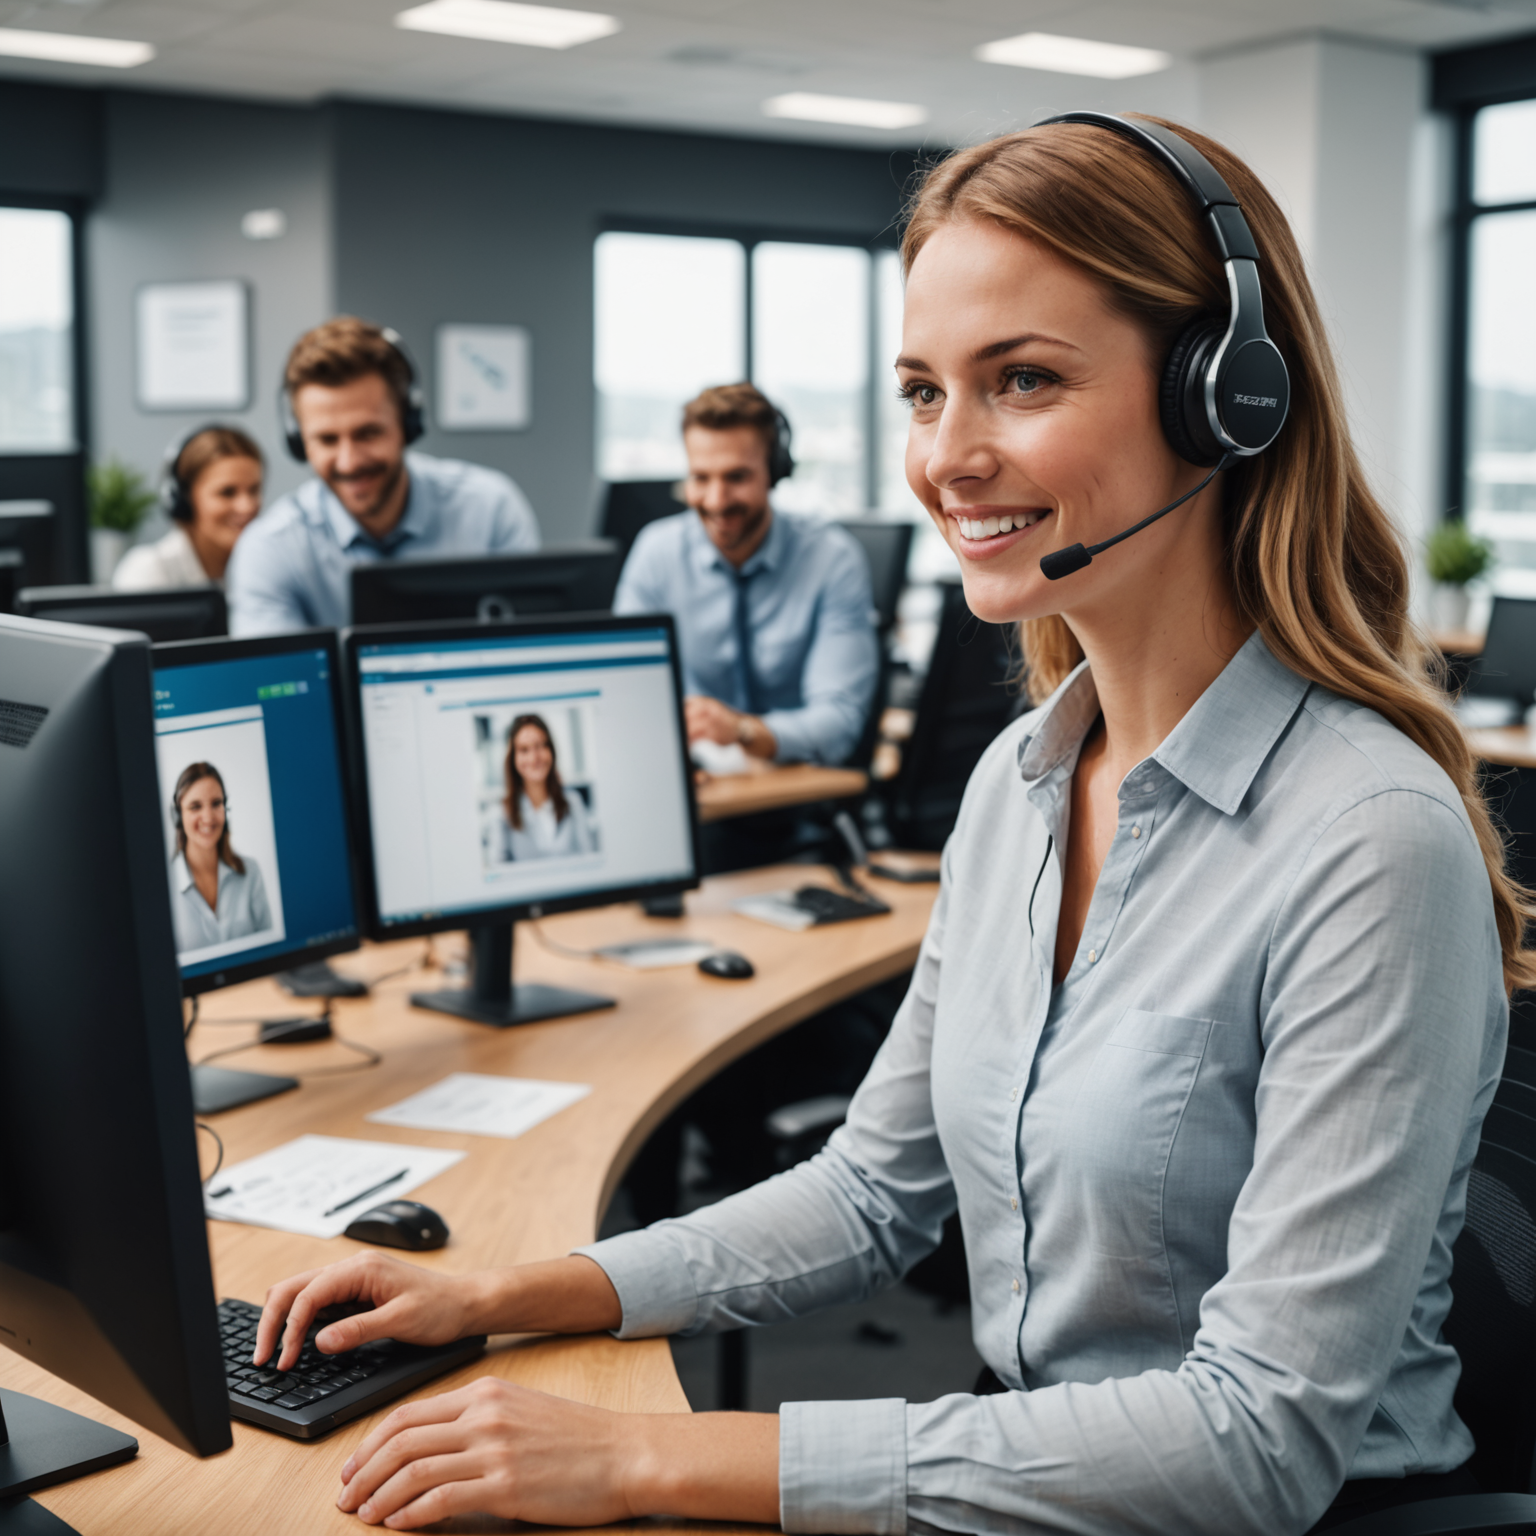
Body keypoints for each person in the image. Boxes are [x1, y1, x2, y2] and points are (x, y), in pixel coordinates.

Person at [250, 115, 1525, 1536]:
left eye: (1023, 381)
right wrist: (503, 1289)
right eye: (924, 392)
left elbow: (1256, 1440)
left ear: (1227, 399)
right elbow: (872, 1194)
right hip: (1023, 1467)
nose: (948, 457)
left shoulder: (1368, 840)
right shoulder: (1021, 790)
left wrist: (647, 1460)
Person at [612, 382, 878, 768]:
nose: (717, 501)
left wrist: (741, 731)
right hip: (700, 785)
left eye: (736, 477)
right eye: (701, 478)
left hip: (798, 792)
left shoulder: (831, 559)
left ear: (773, 472)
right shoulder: (656, 554)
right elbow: (628, 694)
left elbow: (839, 724)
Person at [226, 317, 540, 635]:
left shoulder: (490, 510)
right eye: (327, 440)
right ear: (299, 441)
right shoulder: (270, 548)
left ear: (408, 424)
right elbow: (278, 681)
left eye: (368, 433)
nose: (349, 463)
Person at [113, 425, 263, 589]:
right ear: (185, 499)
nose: (247, 506)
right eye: (227, 493)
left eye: (254, 490)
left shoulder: (262, 567)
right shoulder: (148, 571)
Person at [168, 761, 272, 951]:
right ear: (178, 816)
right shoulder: (164, 887)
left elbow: (269, 949)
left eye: (216, 803)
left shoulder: (250, 872)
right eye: (195, 806)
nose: (208, 817)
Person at [498, 714, 595, 861]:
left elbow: (590, 859)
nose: (534, 758)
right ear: (513, 759)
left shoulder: (573, 802)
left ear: (551, 750)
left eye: (541, 745)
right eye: (524, 750)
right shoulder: (502, 813)